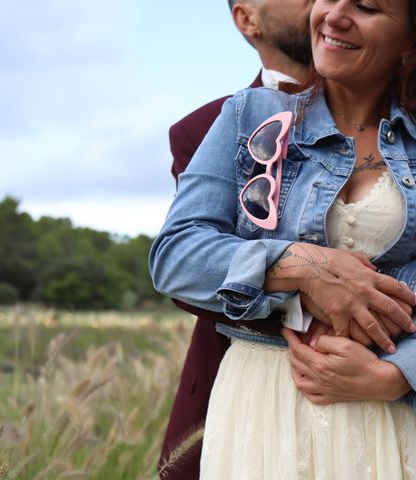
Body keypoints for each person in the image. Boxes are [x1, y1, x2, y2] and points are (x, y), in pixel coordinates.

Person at [150, 0, 416, 477]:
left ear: (411, 39)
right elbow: (176, 255)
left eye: (366, 6)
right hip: (269, 407)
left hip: (401, 413)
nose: (335, 14)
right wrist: (300, 265)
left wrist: (397, 376)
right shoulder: (247, 116)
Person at [158, 1, 313, 478]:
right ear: (248, 19)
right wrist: (305, 276)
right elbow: (190, 267)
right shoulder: (200, 129)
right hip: (236, 393)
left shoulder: (406, 119)